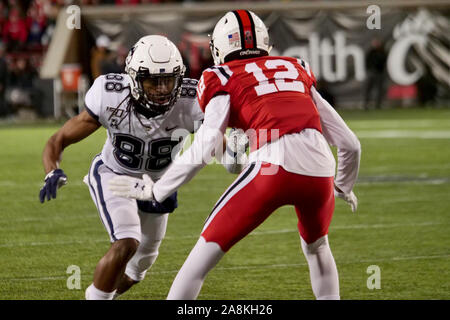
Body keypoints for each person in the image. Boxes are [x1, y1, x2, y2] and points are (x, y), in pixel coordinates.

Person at [109, 10, 361, 300]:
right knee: (317, 247)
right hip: (320, 171)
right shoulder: (295, 67)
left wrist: (157, 190)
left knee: (201, 258)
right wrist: (342, 185)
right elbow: (350, 143)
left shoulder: (220, 75)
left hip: (273, 168)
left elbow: (206, 144)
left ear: (219, 47)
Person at [39, 35, 239, 300]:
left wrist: (234, 158)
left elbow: (219, 142)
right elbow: (59, 139)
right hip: (115, 176)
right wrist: (52, 169)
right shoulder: (110, 95)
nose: (161, 89)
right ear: (133, 78)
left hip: (158, 186)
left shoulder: (191, 100)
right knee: (126, 243)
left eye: (168, 80)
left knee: (137, 270)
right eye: (152, 81)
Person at [364, 37, 387, 110]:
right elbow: (367, 61)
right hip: (372, 72)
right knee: (368, 89)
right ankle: (366, 104)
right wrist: (369, 69)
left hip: (379, 73)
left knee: (379, 90)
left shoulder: (382, 52)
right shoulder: (371, 52)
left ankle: (378, 105)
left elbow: (383, 61)